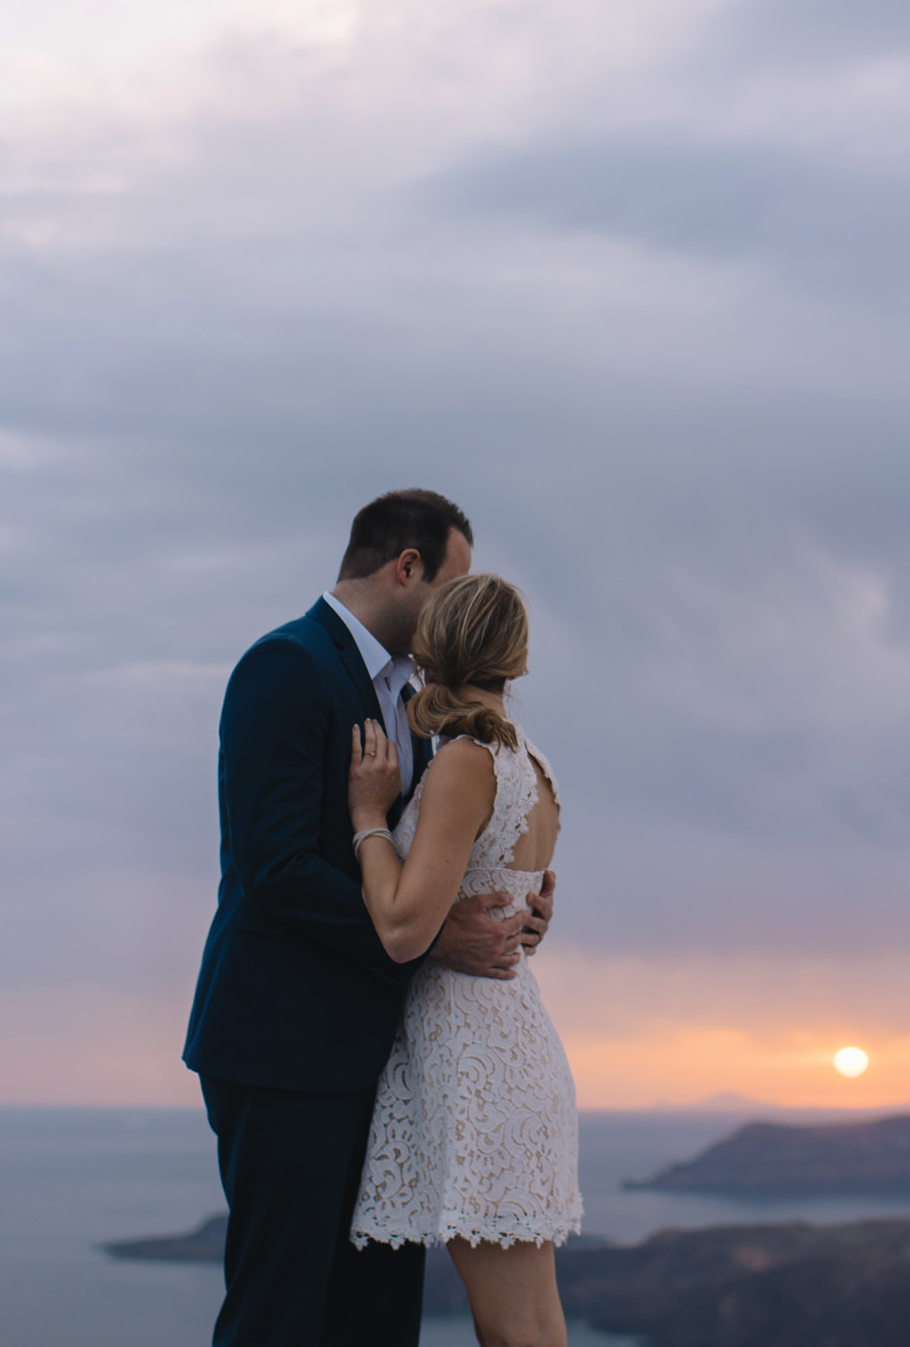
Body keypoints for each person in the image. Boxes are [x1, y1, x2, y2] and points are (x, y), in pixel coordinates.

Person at [182, 489, 555, 1347]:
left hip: (388, 1063)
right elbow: (272, 869)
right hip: (285, 1052)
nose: (459, 611)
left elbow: (441, 856)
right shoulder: (284, 665)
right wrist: (430, 929)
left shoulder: (425, 704)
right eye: (453, 586)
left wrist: (510, 908)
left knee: (378, 1318)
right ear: (407, 567)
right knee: (279, 1312)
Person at [344, 572, 581, 1347]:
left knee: (514, 1329)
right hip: (509, 1035)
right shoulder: (533, 763)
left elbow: (406, 927)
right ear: (512, 657)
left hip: (479, 1053)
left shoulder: (468, 761)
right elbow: (516, 894)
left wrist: (367, 818)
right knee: (529, 1325)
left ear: (434, 643)